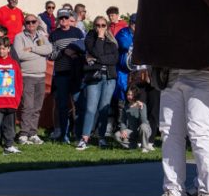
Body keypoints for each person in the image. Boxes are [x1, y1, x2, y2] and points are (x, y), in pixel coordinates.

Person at [146, 68, 209, 196]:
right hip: (171, 72)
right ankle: (174, 192)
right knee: (169, 133)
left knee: (200, 132)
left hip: (202, 71)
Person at [78, 17, 118, 149]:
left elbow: (114, 59)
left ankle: (101, 137)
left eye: (103, 25)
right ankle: (85, 138)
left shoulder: (112, 41)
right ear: (94, 26)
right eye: (98, 25)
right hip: (95, 77)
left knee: (103, 109)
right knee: (90, 108)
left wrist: (98, 59)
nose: (100, 27)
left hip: (109, 78)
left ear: (107, 26)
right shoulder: (90, 38)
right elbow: (96, 51)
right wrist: (100, 38)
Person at [12, 14, 52, 144]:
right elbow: (19, 54)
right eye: (28, 22)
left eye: (33, 21)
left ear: (37, 23)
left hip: (41, 76)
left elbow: (49, 49)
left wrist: (32, 49)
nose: (31, 24)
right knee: (27, 106)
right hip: (26, 76)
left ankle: (33, 133)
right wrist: (39, 54)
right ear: (24, 24)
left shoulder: (41, 36)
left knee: (37, 107)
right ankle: (23, 133)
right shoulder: (19, 37)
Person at [48, 13, 85, 143]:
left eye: (66, 18)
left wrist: (75, 53)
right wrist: (63, 52)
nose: (63, 20)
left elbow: (84, 49)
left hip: (76, 73)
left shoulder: (78, 32)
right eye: (61, 18)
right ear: (58, 20)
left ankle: (78, 134)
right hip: (61, 74)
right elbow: (50, 55)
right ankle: (64, 135)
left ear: (70, 19)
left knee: (78, 104)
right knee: (62, 106)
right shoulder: (54, 34)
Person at [116, 85, 153, 151]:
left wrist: (141, 108)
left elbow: (144, 121)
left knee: (143, 127)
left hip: (144, 130)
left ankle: (144, 147)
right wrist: (123, 130)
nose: (129, 97)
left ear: (135, 95)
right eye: (128, 94)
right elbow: (123, 121)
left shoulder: (142, 105)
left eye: (131, 95)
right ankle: (133, 145)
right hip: (133, 132)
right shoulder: (126, 107)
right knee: (117, 135)